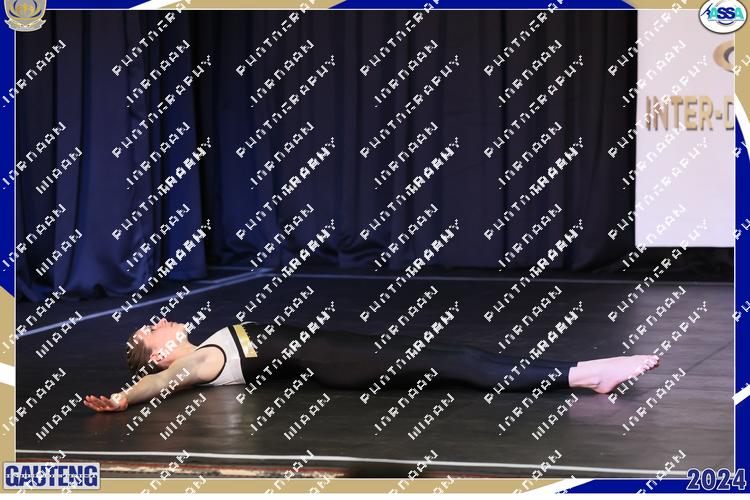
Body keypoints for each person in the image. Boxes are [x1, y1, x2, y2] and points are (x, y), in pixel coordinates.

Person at [83, 317, 660, 412]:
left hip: (340, 348)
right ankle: (586, 373)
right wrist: (127, 396)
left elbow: (163, 373)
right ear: (162, 352)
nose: (157, 322)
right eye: (150, 332)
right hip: (343, 362)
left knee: (456, 357)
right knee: (460, 360)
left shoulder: (208, 344)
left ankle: (582, 372)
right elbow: (168, 380)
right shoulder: (204, 359)